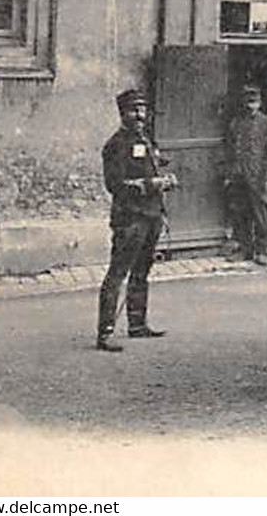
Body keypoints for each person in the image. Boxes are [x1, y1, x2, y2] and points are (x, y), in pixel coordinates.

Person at [95, 88, 177, 352]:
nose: (140, 115)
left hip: (151, 215)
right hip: (129, 218)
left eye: (142, 109)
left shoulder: (147, 140)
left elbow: (152, 164)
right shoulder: (116, 145)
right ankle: (105, 332)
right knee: (117, 273)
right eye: (133, 110)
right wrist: (151, 184)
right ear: (123, 113)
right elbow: (115, 184)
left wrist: (166, 179)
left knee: (142, 271)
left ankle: (137, 323)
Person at [223, 84, 267, 265]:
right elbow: (231, 148)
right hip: (239, 175)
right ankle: (244, 249)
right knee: (240, 213)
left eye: (254, 102)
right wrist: (230, 172)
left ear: (260, 103)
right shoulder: (236, 122)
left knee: (261, 214)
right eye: (247, 102)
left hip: (259, 177)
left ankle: (263, 249)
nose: (250, 106)